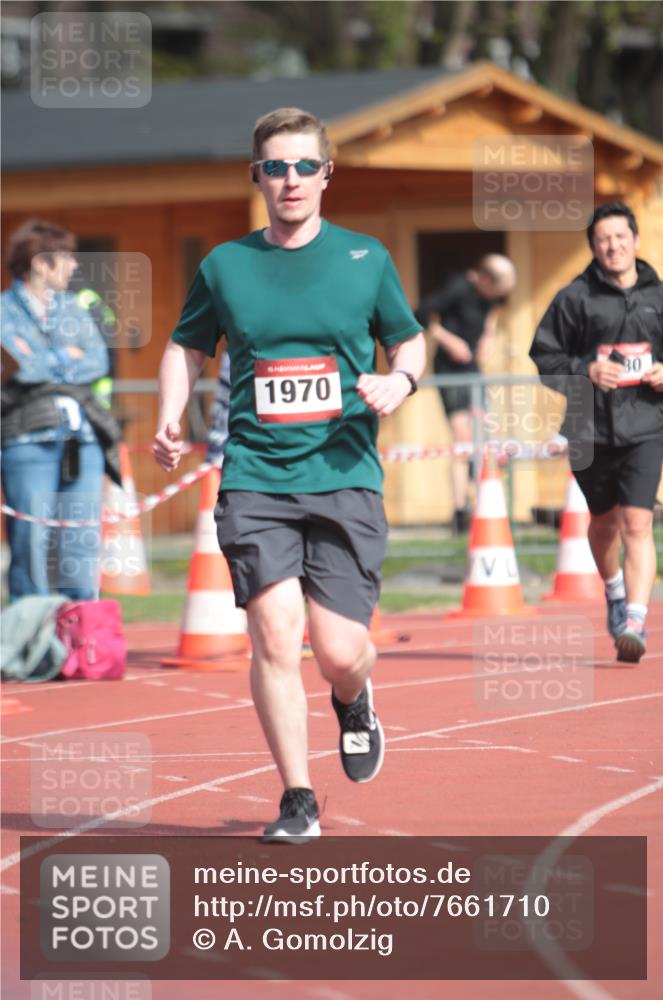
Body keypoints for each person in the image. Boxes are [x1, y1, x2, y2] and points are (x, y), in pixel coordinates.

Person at [153, 107, 425, 842]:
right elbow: (185, 346)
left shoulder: (365, 259)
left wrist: (399, 384)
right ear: (258, 177)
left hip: (343, 474)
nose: (291, 180)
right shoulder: (225, 265)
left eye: (305, 165)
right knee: (274, 637)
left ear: (327, 174)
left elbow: (408, 342)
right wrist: (170, 415)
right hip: (254, 477)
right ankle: (297, 798)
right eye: (276, 167)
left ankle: (355, 693)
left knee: (337, 650)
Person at [530, 201, 663, 663]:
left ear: (635, 240)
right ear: (593, 246)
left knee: (638, 522)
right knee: (605, 525)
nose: (613, 246)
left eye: (620, 237)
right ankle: (613, 592)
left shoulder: (660, 297)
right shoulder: (574, 299)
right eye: (603, 239)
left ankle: (635, 617)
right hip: (589, 430)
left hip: (647, 425)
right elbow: (545, 361)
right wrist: (585, 370)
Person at [1, 219, 120, 601]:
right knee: (31, 544)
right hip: (25, 440)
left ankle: (79, 641)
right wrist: (65, 358)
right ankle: (32, 645)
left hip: (82, 439)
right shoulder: (4, 311)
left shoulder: (74, 308)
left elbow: (98, 362)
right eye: (65, 258)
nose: (73, 266)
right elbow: (14, 368)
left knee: (80, 544)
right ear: (39, 263)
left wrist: (40, 363)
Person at [415, 255, 516, 532]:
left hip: (473, 370)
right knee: (462, 438)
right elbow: (422, 314)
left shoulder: (488, 299)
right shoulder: (459, 287)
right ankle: (460, 508)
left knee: (483, 434)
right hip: (450, 369)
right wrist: (450, 341)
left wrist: (488, 336)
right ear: (485, 279)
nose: (496, 297)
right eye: (495, 291)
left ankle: (478, 500)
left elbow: (491, 316)